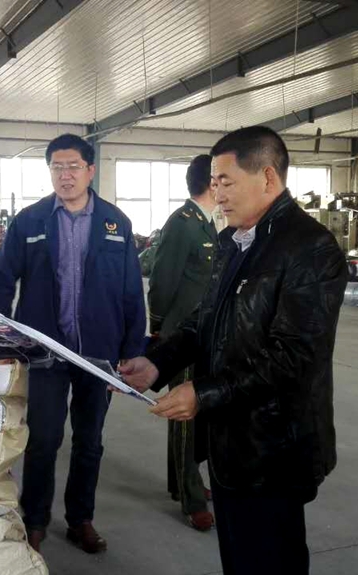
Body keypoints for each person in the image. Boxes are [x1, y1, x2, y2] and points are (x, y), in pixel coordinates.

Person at [120, 126, 348, 575]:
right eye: (214, 183)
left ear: (267, 177)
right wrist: (157, 362)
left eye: (226, 181)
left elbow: (294, 357)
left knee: (270, 562)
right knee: (239, 559)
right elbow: (203, 320)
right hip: (230, 444)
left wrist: (203, 393)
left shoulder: (310, 248)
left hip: (274, 449)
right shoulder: (233, 242)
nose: (217, 194)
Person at [0, 134, 146, 556]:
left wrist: (132, 350)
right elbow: (1, 279)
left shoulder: (115, 223)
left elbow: (131, 291)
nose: (65, 175)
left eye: (73, 166)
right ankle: (36, 519)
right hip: (45, 352)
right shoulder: (30, 221)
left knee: (89, 441)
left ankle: (81, 520)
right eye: (57, 167)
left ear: (90, 170)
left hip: (99, 354)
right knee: (43, 439)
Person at [146, 154, 218, 532]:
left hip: (204, 334)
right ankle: (192, 499)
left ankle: (182, 482)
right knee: (185, 415)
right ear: (211, 183)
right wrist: (159, 328)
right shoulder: (183, 224)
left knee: (198, 412)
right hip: (180, 335)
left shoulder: (207, 223)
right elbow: (162, 282)